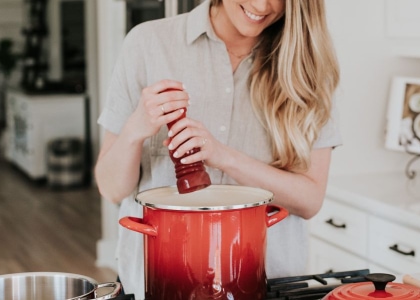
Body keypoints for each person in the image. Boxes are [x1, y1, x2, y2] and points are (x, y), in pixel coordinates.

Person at [94, 0, 341, 298]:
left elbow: (310, 200)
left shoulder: (308, 67)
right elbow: (110, 189)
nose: (262, 5)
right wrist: (135, 130)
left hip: (265, 285)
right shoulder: (148, 43)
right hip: (155, 285)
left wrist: (224, 156)